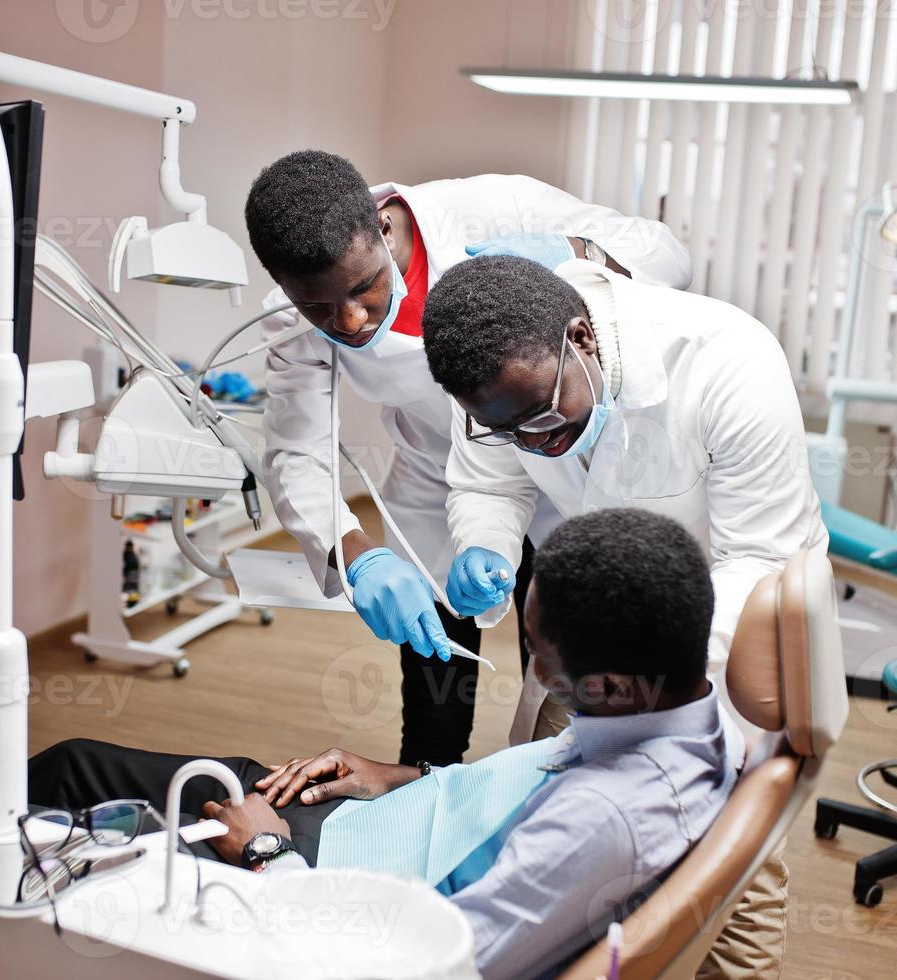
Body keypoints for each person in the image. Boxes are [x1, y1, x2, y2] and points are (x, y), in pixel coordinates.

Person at [0, 510, 739, 980]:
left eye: (540, 651)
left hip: (323, 892)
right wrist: (407, 772)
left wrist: (268, 853)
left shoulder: (608, 820)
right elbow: (519, 789)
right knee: (69, 767)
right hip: (371, 826)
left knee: (53, 835)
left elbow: (430, 965)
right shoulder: (681, 706)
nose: (531, 665)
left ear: (602, 677)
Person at [421, 253, 828, 976]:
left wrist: (659, 693)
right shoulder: (493, 377)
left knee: (729, 850)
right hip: (590, 626)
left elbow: (757, 558)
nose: (534, 444)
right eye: (506, 430)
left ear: (579, 338)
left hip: (718, 637)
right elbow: (488, 482)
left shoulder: (726, 358)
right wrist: (485, 544)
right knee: (541, 800)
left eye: (545, 418)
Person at [244, 150, 691, 766]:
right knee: (433, 675)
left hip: (563, 456)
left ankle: (554, 786)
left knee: (561, 660)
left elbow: (668, 255)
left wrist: (576, 253)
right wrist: (356, 554)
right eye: (319, 308)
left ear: (381, 224)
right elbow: (296, 447)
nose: (349, 319)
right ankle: (427, 789)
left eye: (363, 287)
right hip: (437, 474)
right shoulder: (289, 315)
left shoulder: (491, 206)